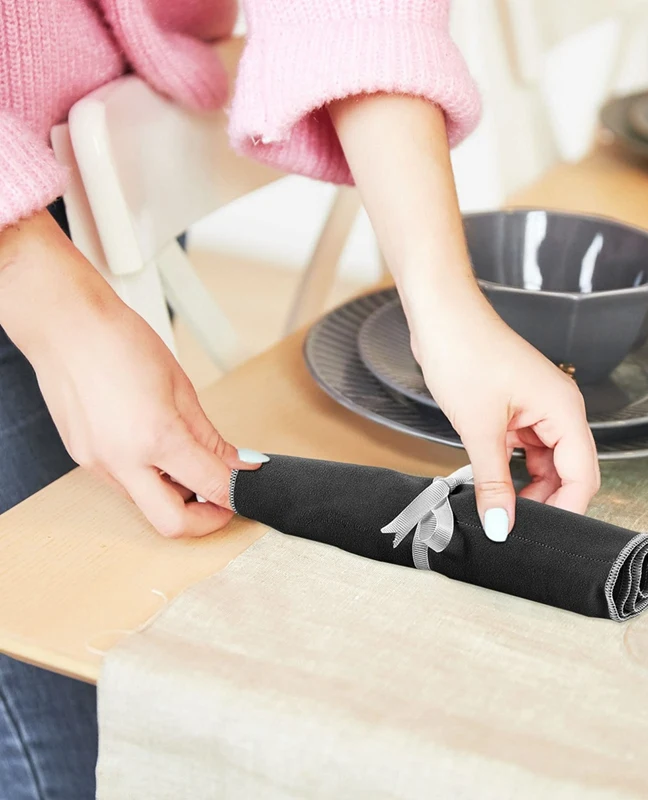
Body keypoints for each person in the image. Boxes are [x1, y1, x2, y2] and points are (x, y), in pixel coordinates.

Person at [0, 1, 600, 796]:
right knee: (72, 737)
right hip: (23, 236)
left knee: (151, 685)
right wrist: (57, 310)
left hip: (98, 151)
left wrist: (445, 304)